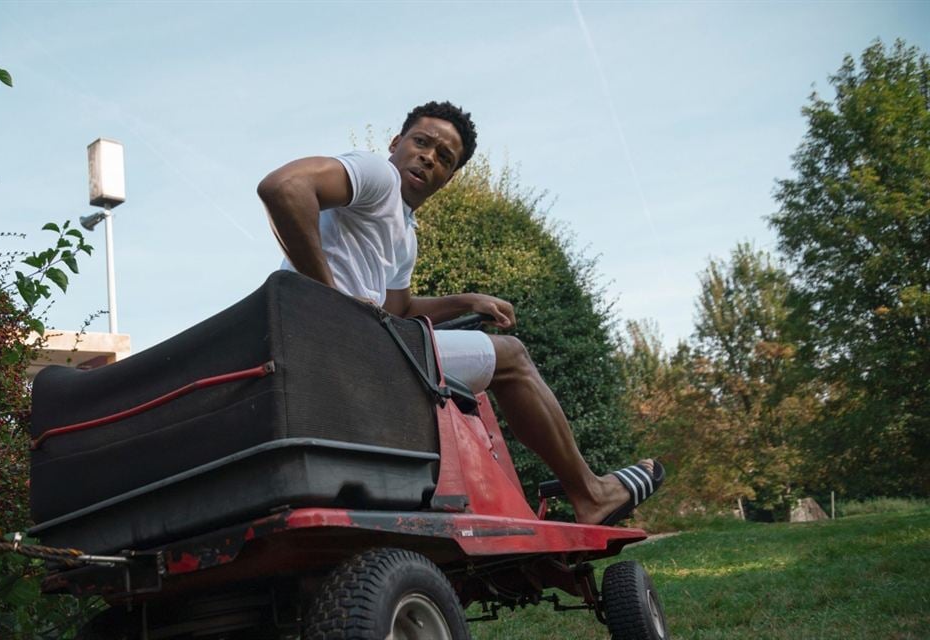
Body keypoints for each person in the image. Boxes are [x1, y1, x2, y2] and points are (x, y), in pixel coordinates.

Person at [259, 101, 662, 526]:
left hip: (368, 344)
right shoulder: (375, 175)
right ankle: (592, 493)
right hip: (344, 344)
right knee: (512, 357)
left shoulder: (405, 233)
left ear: (448, 179)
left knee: (477, 364)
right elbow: (283, 188)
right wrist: (331, 299)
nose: (428, 157)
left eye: (444, 158)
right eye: (421, 142)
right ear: (396, 143)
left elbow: (400, 310)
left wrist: (468, 301)